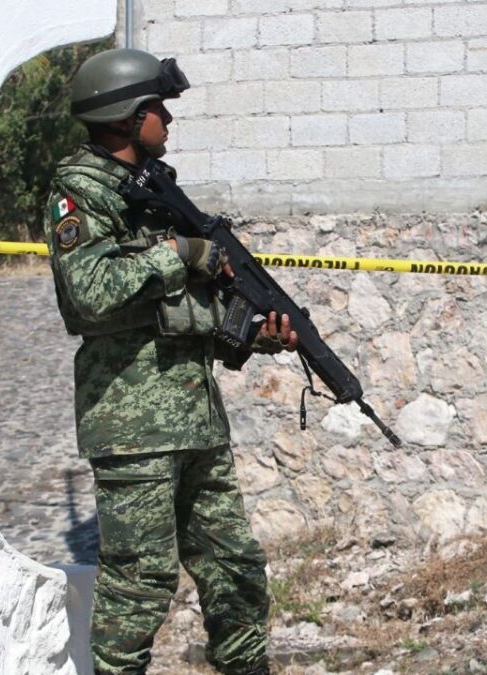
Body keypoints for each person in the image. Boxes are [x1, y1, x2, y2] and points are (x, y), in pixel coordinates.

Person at [43, 48, 296, 675]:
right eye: (158, 108)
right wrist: (180, 254)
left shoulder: (155, 191)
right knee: (142, 580)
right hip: (133, 427)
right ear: (128, 116)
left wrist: (259, 333)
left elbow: (187, 313)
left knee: (235, 566)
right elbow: (92, 295)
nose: (167, 120)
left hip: (195, 418)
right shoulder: (78, 193)